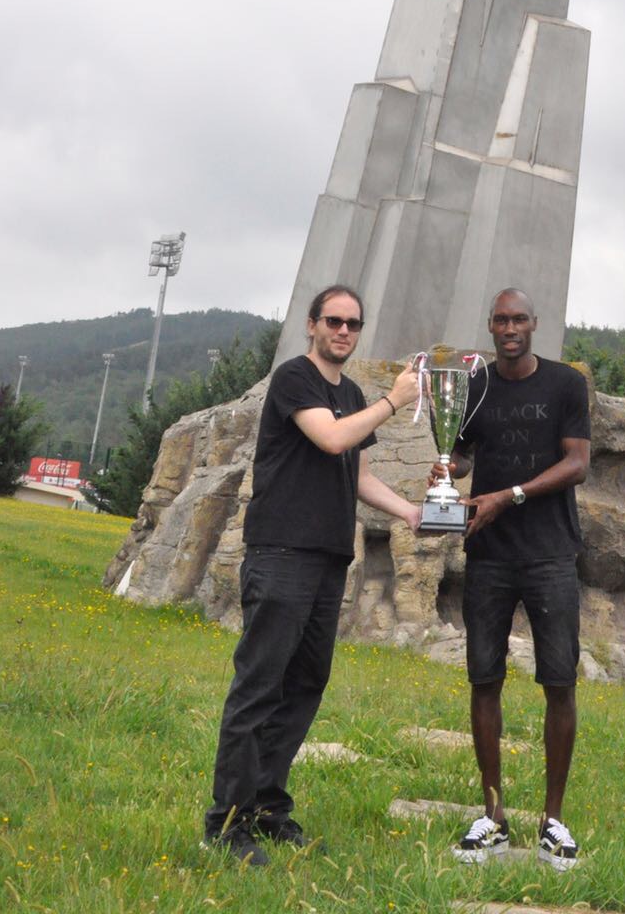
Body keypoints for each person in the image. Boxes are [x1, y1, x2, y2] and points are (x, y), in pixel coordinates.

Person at [202, 284, 421, 866]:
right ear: (311, 325)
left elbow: (358, 473)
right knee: (259, 689)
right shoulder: (294, 378)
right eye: (333, 321)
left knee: (303, 688)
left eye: (352, 323)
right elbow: (329, 439)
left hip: (328, 560)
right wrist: (395, 401)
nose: (343, 331)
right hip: (280, 554)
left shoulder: (350, 393)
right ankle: (226, 825)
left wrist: (410, 512)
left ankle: (268, 808)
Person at [435, 287, 591, 872]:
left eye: (519, 318)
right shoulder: (474, 387)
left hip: (551, 554)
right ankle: (493, 815)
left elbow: (578, 462)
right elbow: (462, 455)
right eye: (500, 319)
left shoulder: (564, 385)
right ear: (492, 325)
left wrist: (512, 494)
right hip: (489, 555)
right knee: (484, 679)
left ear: (535, 324)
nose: (509, 328)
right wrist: (444, 471)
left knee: (558, 682)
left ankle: (553, 821)